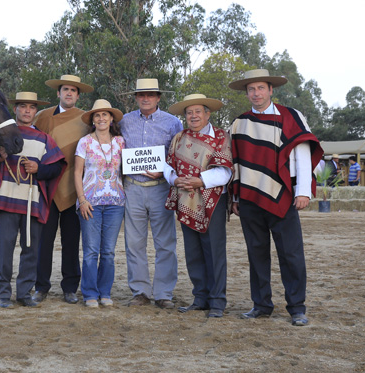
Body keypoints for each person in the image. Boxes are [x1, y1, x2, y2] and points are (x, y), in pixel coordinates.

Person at [228, 69, 323, 326]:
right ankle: (261, 305)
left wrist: (303, 190)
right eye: (251, 89)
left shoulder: (290, 116)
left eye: (261, 88)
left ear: (271, 90)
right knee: (256, 254)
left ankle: (297, 307)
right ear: (246, 93)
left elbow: (302, 151)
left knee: (291, 254)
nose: (256, 93)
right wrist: (235, 197)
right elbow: (236, 162)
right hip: (249, 198)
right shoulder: (239, 123)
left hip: (283, 196)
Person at [0, 92, 65, 308]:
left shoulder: (44, 138)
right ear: (15, 109)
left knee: (31, 251)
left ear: (36, 111)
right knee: (4, 250)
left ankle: (25, 294)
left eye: (32, 107)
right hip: (7, 201)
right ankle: (3, 294)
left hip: (32, 203)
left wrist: (40, 168)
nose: (27, 110)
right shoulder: (0, 135)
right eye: (23, 106)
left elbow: (57, 167)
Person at [165, 94, 233, 318]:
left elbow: (225, 171)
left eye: (197, 112)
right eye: (189, 112)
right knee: (193, 251)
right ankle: (200, 298)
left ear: (207, 114)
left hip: (212, 201)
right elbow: (168, 166)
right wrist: (174, 180)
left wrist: (200, 180)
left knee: (213, 251)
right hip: (186, 200)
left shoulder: (221, 137)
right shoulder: (179, 138)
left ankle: (217, 302)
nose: (193, 116)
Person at [120, 78, 183, 309]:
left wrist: (166, 172)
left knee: (165, 243)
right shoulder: (124, 122)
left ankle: (164, 293)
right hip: (132, 189)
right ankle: (140, 292)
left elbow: (178, 155)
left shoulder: (173, 123)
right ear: (136, 98)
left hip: (161, 189)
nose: (145, 98)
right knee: (134, 243)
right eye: (141, 95)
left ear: (158, 97)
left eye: (150, 94)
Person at [33, 74, 94, 305]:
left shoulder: (85, 119)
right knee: (43, 242)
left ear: (78, 95)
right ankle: (41, 287)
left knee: (71, 241)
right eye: (65, 89)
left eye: (73, 91)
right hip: (46, 188)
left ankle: (70, 287)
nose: (69, 93)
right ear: (58, 93)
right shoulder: (43, 116)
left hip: (74, 189)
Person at [74, 99, 126, 308]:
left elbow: (127, 169)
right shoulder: (85, 142)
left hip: (116, 202)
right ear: (93, 120)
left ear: (111, 118)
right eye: (97, 115)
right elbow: (78, 173)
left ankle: (105, 292)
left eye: (105, 114)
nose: (101, 118)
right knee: (91, 251)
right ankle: (89, 294)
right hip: (90, 202)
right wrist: (82, 200)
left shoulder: (121, 142)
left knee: (108, 251)